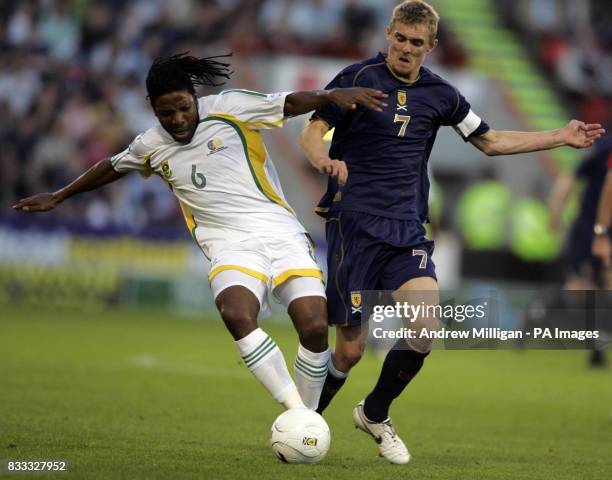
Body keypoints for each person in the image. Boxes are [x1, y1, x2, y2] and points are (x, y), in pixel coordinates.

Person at [300, 0, 605, 464]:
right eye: (399, 38)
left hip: (406, 230)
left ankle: (375, 412)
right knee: (350, 350)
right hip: (355, 226)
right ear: (388, 33)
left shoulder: (442, 95)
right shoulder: (357, 79)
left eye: (415, 43)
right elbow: (315, 126)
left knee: (424, 326)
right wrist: (321, 157)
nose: (404, 49)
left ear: (431, 46)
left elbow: (491, 141)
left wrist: (559, 136)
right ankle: (304, 423)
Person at [13, 53, 388, 412]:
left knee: (315, 325)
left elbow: (288, 103)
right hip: (228, 245)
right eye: (166, 113)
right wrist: (60, 196)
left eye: (183, 108)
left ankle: (308, 416)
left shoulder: (229, 108)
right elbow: (111, 166)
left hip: (279, 232)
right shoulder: (150, 145)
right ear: (152, 109)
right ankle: (296, 413)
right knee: (237, 314)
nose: (177, 119)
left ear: (195, 98)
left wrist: (329, 96)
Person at [548, 134, 612, 365]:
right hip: (592, 227)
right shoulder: (605, 147)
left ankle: (598, 339)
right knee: (581, 287)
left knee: (600, 284)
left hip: (597, 228)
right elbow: (571, 177)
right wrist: (556, 211)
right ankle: (543, 314)